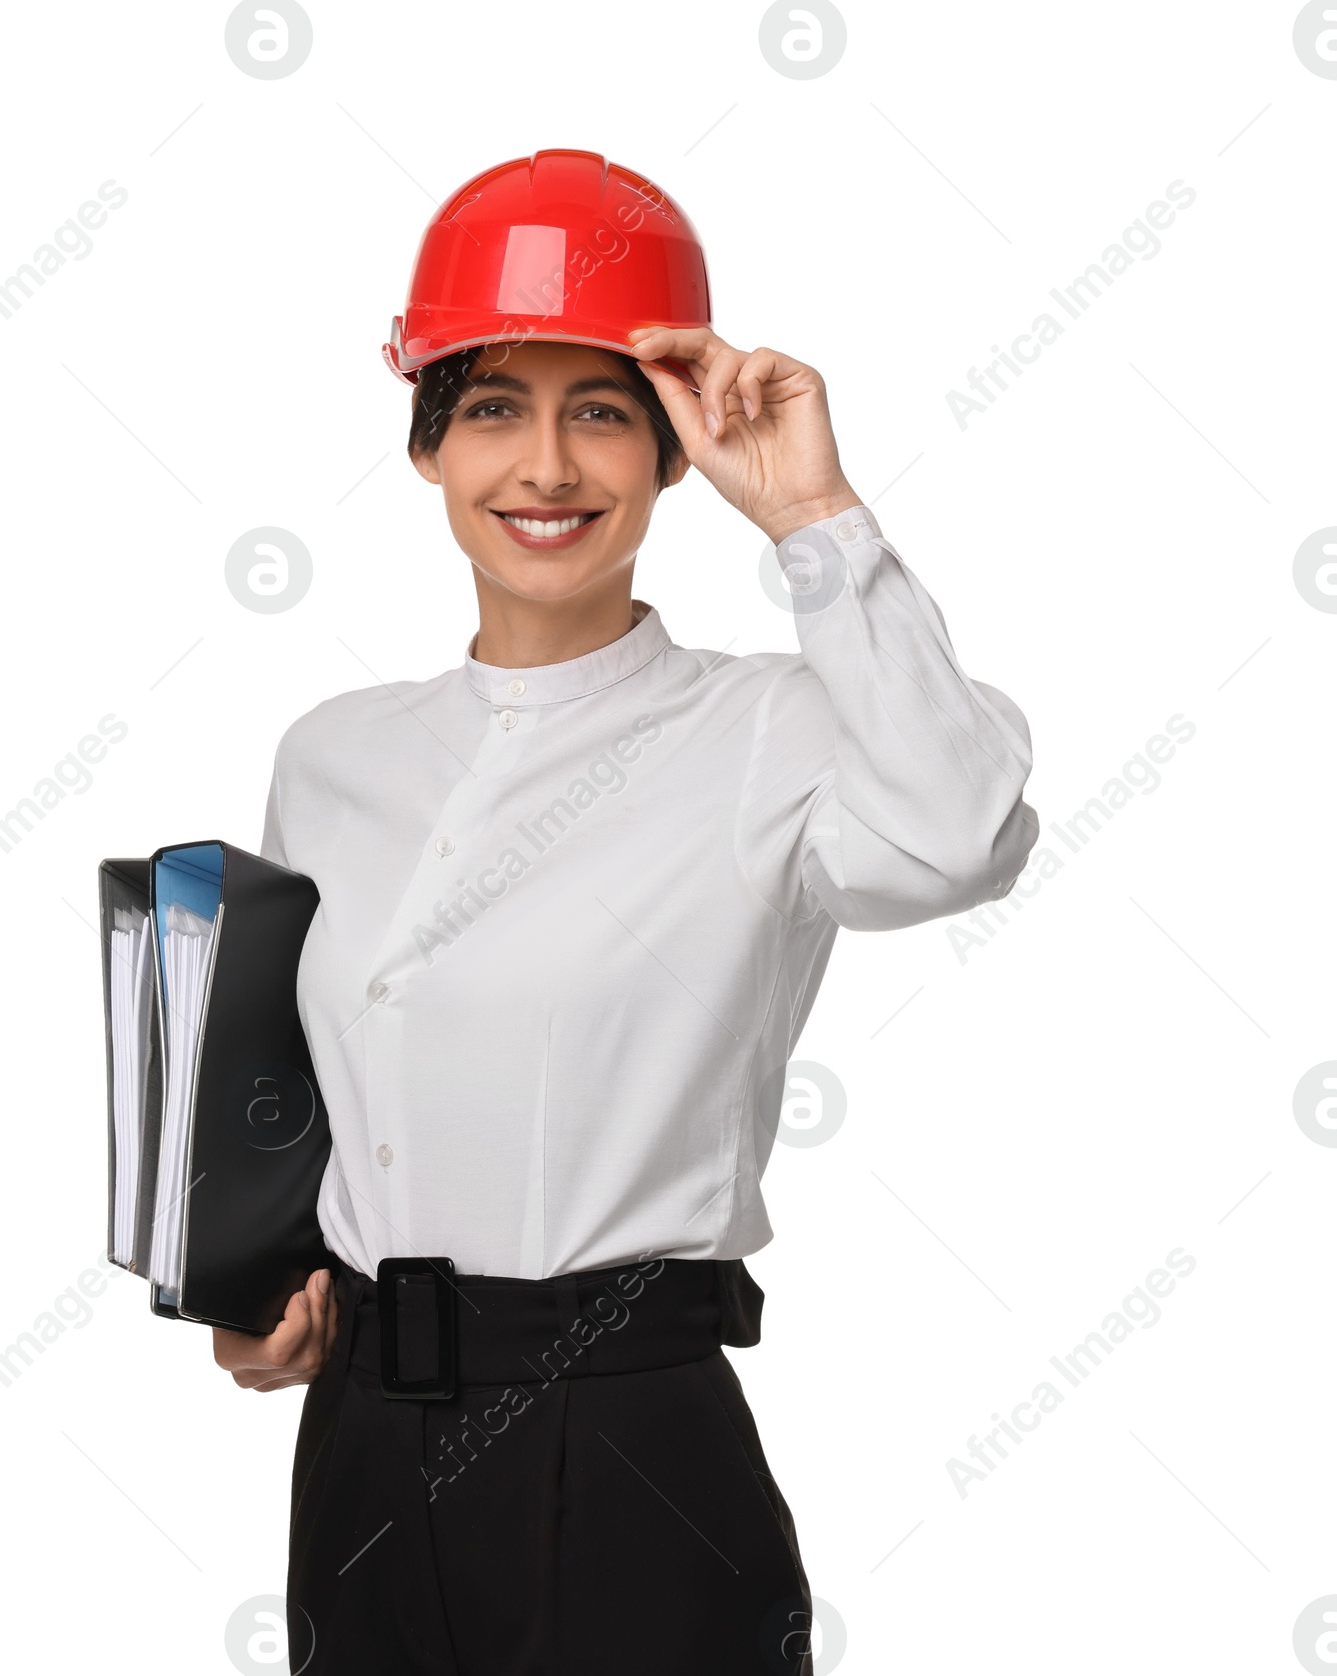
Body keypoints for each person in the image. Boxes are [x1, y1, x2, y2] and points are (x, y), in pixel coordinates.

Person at [212, 150, 1037, 1675]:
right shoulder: (332, 757)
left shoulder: (772, 733)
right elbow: (302, 1097)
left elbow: (963, 836)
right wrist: (257, 1303)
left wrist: (817, 517)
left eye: (601, 411)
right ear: (424, 447)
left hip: (631, 1438)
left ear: (672, 452)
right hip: (360, 1453)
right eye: (492, 410)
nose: (546, 468)